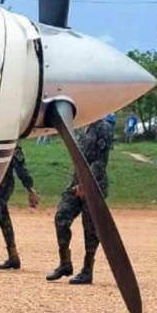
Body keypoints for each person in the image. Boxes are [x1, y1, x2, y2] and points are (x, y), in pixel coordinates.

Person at [47, 114, 115, 286]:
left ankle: (87, 270)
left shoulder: (103, 128)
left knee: (90, 229)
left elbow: (100, 162)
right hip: (76, 183)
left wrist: (86, 183)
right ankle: (65, 263)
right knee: (61, 218)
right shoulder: (80, 126)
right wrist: (78, 182)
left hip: (94, 185)